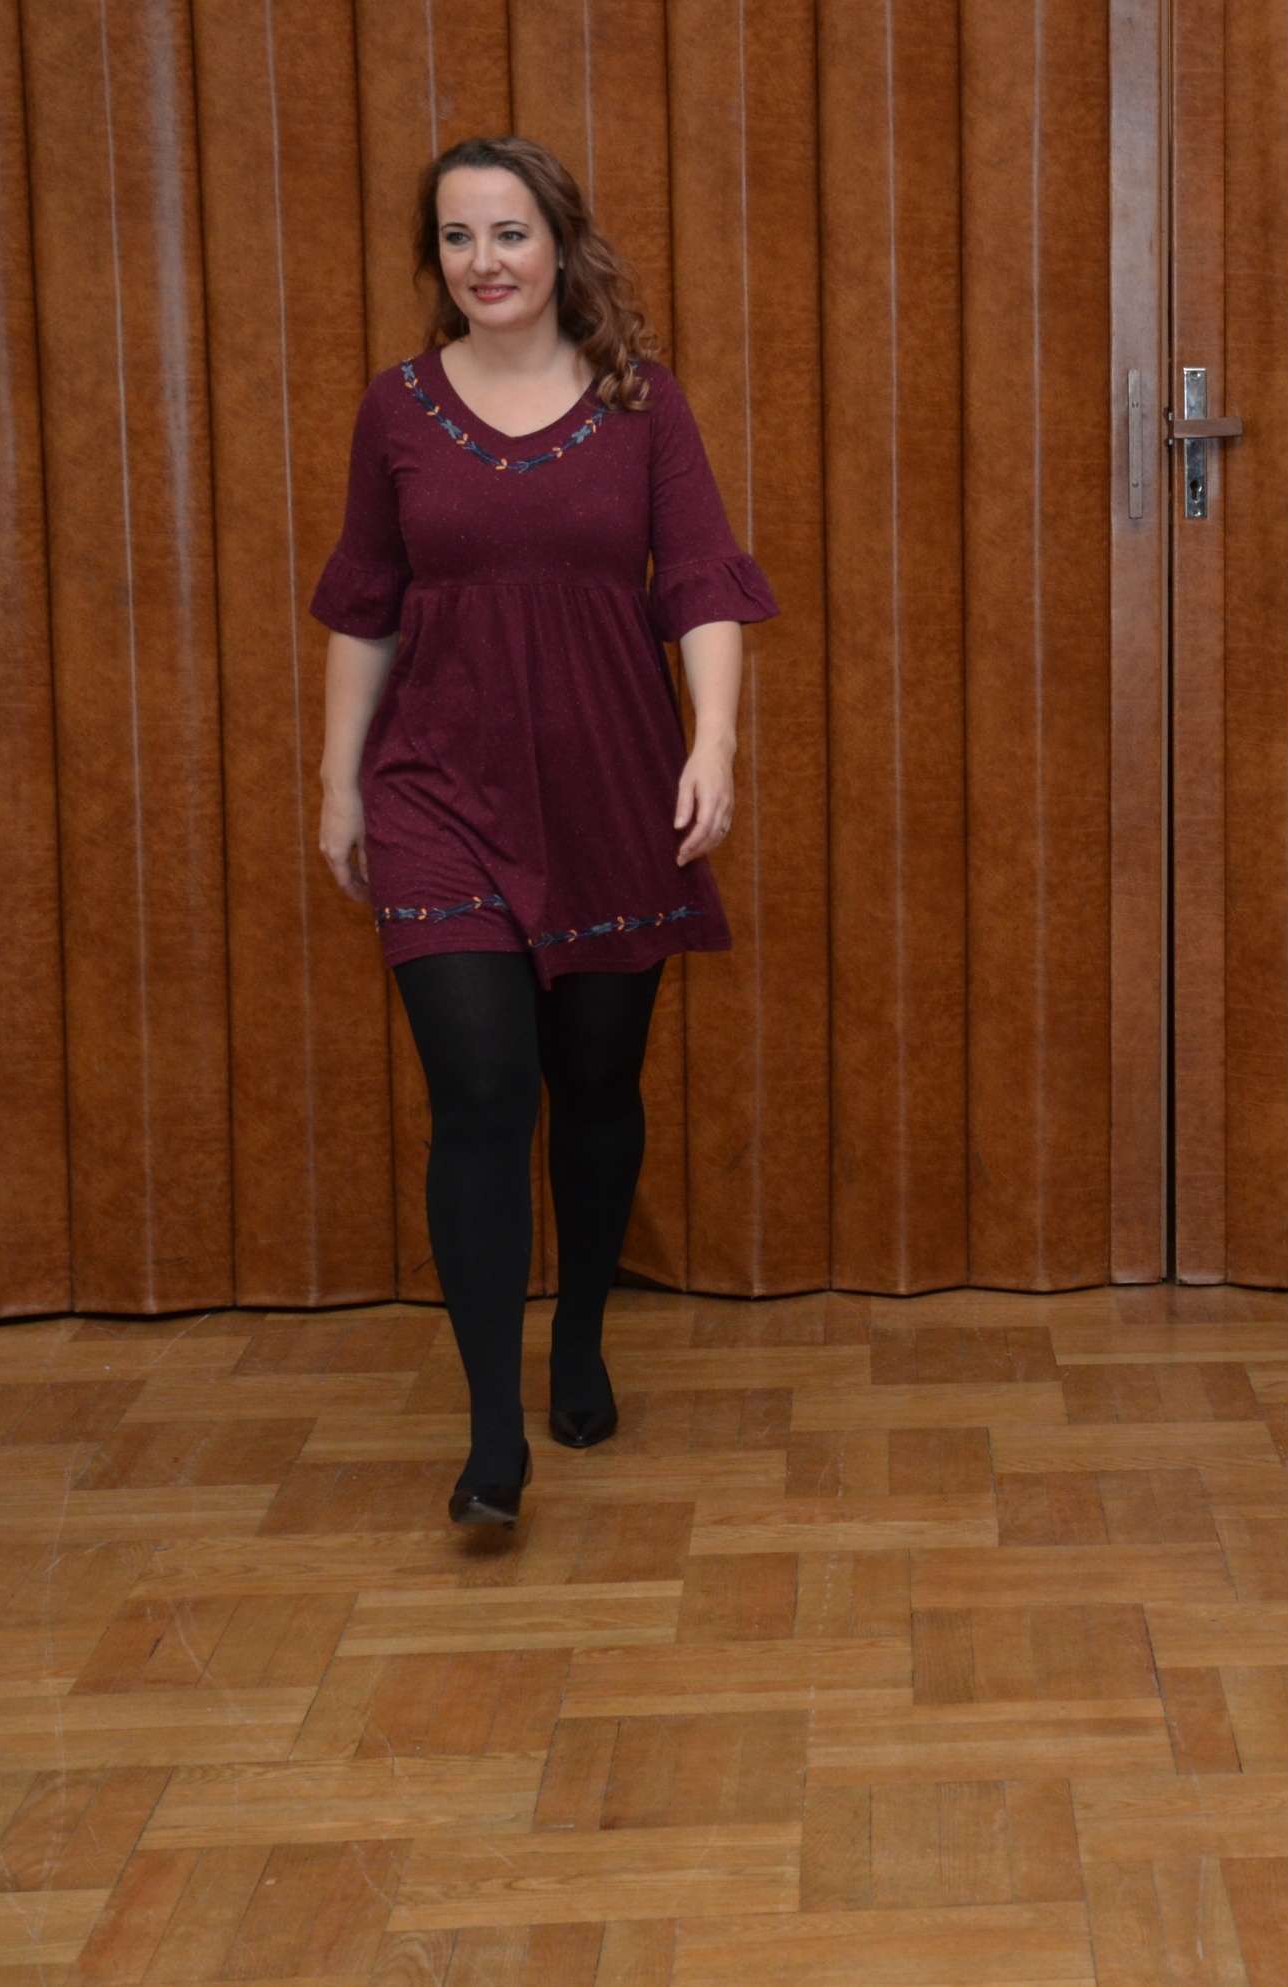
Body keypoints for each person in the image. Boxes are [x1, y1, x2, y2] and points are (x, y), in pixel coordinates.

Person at [310, 136, 775, 1529]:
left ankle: (578, 1334)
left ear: (559, 243)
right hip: (435, 791)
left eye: (509, 233)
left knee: (596, 1087)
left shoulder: (641, 402)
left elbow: (702, 582)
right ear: (435, 258)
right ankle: (490, 1435)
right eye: (458, 237)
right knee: (481, 1094)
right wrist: (340, 781)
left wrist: (711, 740)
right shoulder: (397, 409)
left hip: (610, 789)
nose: (486, 261)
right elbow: (364, 603)